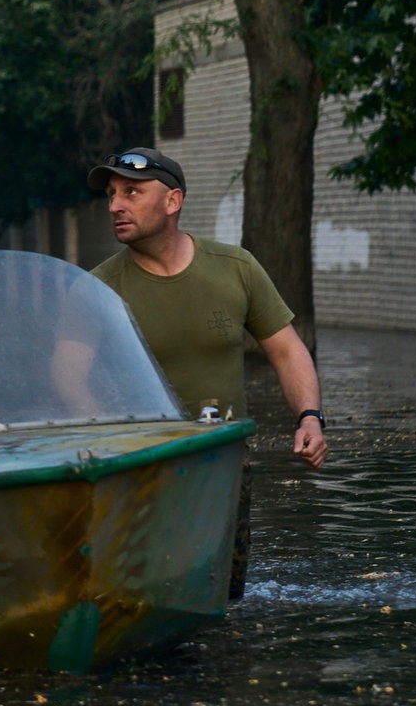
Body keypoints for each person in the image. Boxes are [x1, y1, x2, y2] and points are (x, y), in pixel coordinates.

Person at [77, 145, 328, 598]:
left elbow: (289, 352)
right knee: (147, 600)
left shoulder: (237, 269)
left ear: (173, 202)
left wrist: (310, 417)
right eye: (111, 194)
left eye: (132, 192)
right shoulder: (96, 290)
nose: (115, 205)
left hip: (225, 467)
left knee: (225, 601)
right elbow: (66, 379)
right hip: (141, 472)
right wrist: (117, 453)